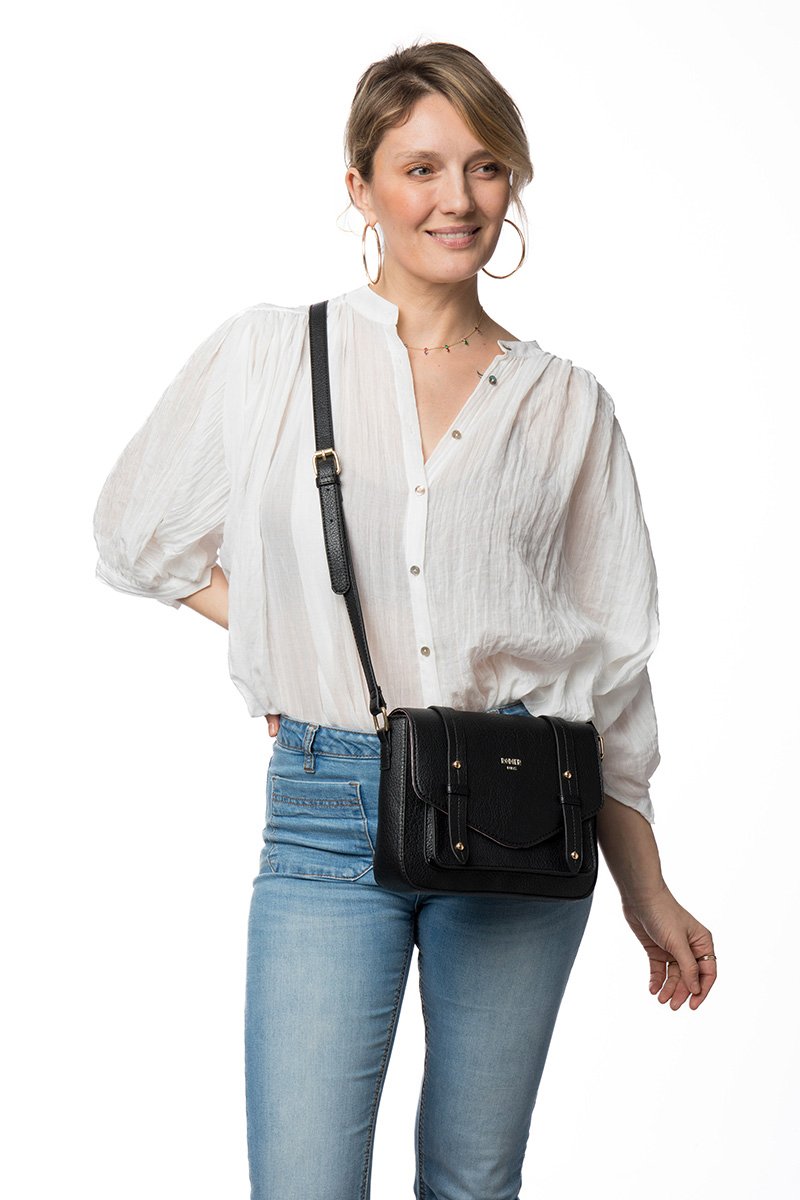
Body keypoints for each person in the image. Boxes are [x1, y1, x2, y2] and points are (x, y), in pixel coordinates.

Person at [92, 39, 717, 1200]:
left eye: (483, 166)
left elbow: (609, 673)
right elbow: (140, 536)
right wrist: (283, 645)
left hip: (524, 805)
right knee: (302, 1185)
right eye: (420, 168)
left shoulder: (565, 404)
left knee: (473, 1185)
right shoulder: (273, 355)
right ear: (361, 186)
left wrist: (647, 889)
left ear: (511, 181)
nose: (455, 199)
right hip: (328, 807)